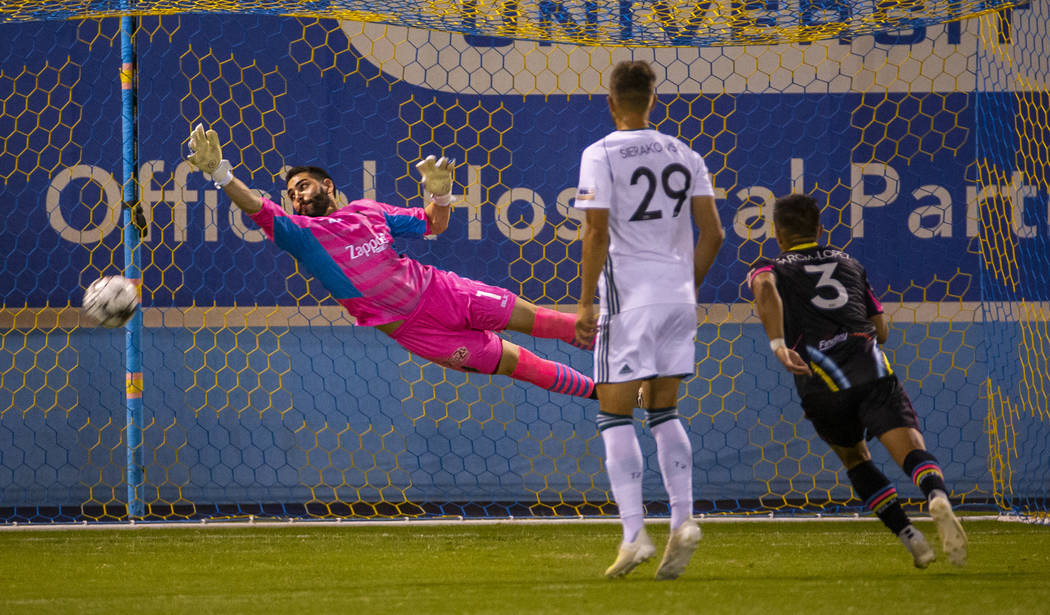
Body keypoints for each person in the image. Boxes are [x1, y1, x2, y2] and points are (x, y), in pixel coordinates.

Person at [184, 124, 596, 401]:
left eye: (303, 186)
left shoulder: (368, 210)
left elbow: (433, 224)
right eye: (291, 193)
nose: (297, 196)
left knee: (542, 320)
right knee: (519, 364)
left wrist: (441, 195)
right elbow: (257, 205)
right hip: (419, 333)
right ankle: (605, 392)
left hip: (444, 292)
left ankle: (633, 351)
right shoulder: (300, 235)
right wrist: (220, 174)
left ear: (327, 186)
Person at [747, 192, 968, 568]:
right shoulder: (848, 261)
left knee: (855, 458)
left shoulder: (770, 267)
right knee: (910, 447)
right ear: (820, 228)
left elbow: (765, 288)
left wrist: (779, 343)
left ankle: (909, 535)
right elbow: (881, 330)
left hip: (820, 384)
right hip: (869, 369)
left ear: (777, 234)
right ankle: (936, 496)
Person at [574, 60, 725, 580]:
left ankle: (634, 534)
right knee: (664, 410)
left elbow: (595, 233)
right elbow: (714, 235)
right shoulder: (685, 153)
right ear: (652, 101)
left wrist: (586, 303)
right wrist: (685, 286)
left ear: (611, 101)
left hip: (628, 298)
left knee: (614, 413)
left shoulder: (600, 153)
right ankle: (683, 521)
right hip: (678, 298)